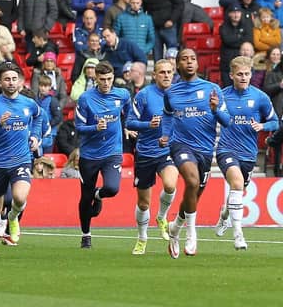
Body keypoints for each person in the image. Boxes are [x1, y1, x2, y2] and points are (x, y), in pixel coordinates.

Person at [162, 49, 230, 258]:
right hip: (180, 145)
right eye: (185, 59)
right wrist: (165, 135)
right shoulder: (171, 92)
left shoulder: (212, 89)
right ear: (178, 65)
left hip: (205, 150)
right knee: (191, 182)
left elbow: (227, 121)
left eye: (193, 58)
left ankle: (175, 229)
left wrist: (215, 110)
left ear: (197, 64)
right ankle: (192, 233)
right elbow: (167, 116)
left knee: (193, 195)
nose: (189, 62)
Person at [0, 62, 42, 259]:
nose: (11, 82)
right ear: (0, 83)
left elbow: (39, 118)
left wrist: (36, 137)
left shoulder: (29, 103)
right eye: (7, 79)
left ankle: (13, 217)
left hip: (21, 160)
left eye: (14, 79)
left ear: (20, 81)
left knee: (20, 198)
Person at [213, 56, 278, 250]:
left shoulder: (260, 97)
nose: (243, 77)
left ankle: (224, 214)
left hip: (249, 153)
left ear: (251, 74)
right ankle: (238, 235)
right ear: (231, 75)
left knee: (237, 188)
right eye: (239, 74)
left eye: (247, 74)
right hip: (226, 149)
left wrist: (263, 125)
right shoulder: (223, 95)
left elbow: (275, 121)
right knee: (237, 183)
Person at [75, 61, 131, 249]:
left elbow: (128, 112)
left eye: (109, 79)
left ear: (113, 77)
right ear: (96, 78)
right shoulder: (85, 99)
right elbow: (79, 128)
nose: (106, 83)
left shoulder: (122, 94)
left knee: (113, 188)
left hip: (112, 151)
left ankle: (99, 196)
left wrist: (127, 127)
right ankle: (86, 234)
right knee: (85, 196)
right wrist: (95, 128)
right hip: (89, 155)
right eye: (102, 79)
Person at [125, 59, 178, 254]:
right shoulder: (144, 96)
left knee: (171, 185)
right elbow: (130, 122)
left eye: (169, 72)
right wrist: (149, 125)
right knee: (143, 202)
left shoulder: (178, 95)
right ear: (154, 75)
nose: (166, 75)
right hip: (146, 153)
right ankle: (142, 238)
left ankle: (162, 216)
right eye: (162, 72)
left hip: (167, 151)